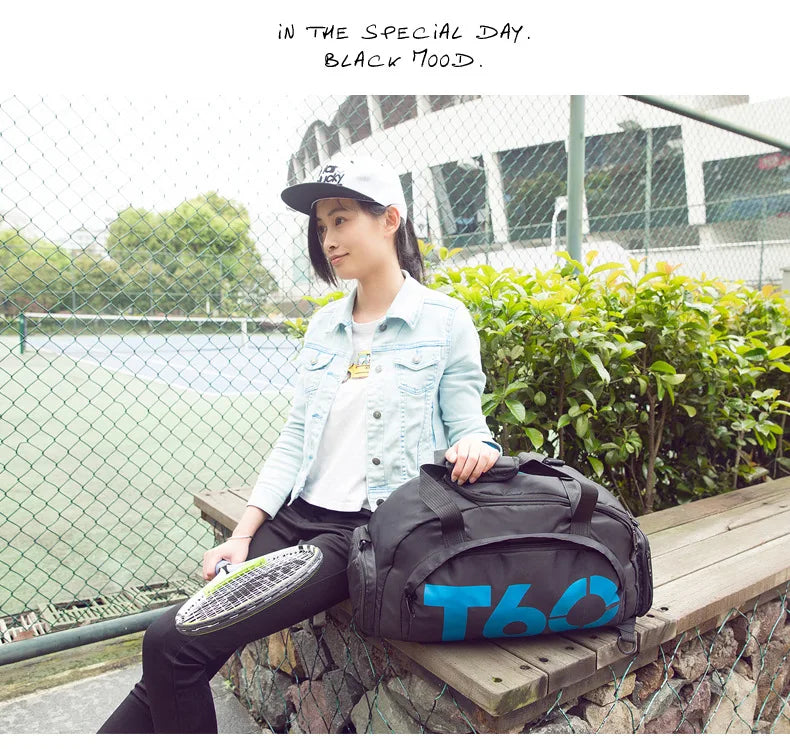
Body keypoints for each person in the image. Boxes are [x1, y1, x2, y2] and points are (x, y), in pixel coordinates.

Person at [98, 156, 501, 733]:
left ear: (389, 219)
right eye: (321, 227)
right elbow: (295, 438)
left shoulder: (443, 321)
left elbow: (469, 424)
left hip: (362, 534)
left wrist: (476, 447)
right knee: (174, 655)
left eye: (340, 220)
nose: (329, 240)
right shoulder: (325, 327)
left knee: (170, 641)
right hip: (295, 519)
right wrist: (242, 534)